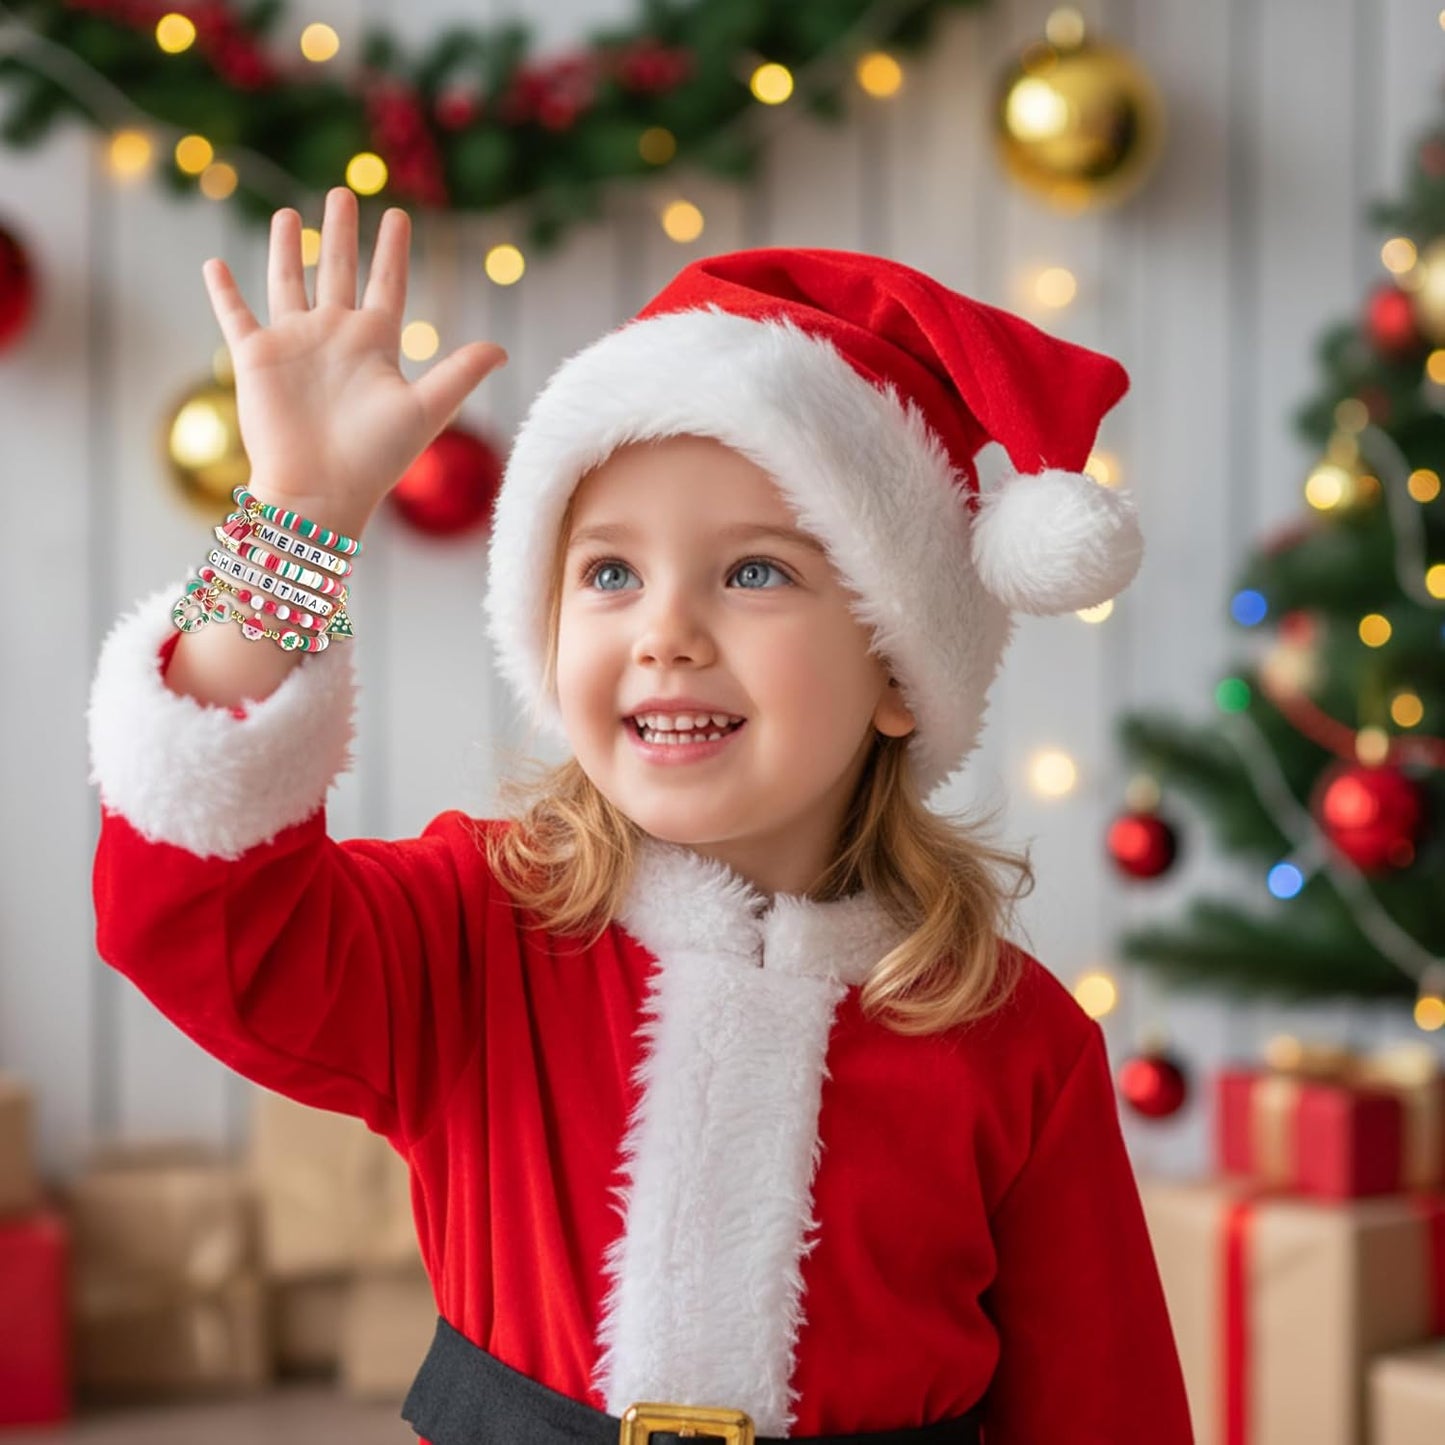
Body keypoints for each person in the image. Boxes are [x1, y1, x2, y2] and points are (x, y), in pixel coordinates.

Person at [87, 185, 1193, 1444]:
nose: (665, 631)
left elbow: (1106, 1406)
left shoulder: (1014, 1040)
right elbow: (189, 909)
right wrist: (294, 526)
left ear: (899, 666)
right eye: (609, 570)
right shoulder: (474, 933)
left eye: (754, 570)